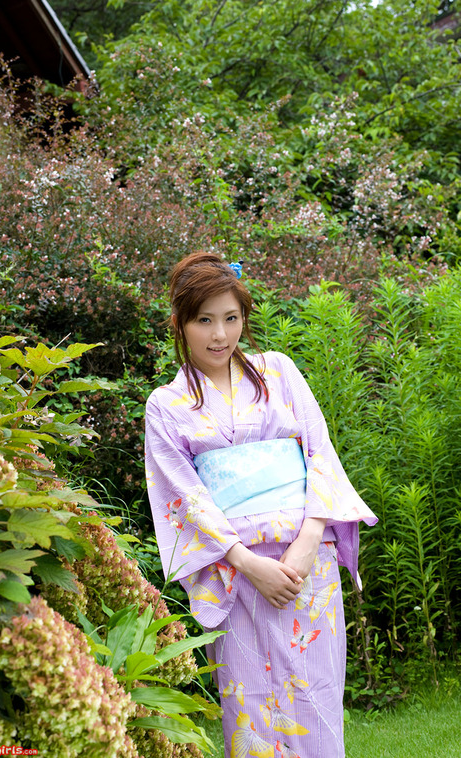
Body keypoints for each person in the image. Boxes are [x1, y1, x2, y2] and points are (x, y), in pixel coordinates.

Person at [144, 252, 377, 758]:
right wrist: (248, 563)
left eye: (231, 318)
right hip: (236, 571)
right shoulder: (166, 404)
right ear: (180, 323)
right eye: (204, 320)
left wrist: (308, 542)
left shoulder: (279, 372)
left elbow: (320, 453)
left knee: (315, 698)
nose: (220, 335)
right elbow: (182, 497)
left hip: (305, 564)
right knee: (249, 702)